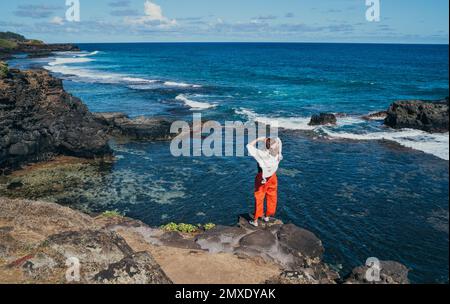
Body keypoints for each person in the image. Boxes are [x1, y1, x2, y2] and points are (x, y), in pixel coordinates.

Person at [246, 137, 283, 227]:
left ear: (266, 146)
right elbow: (278, 140)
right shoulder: (278, 152)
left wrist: (258, 139)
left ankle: (255, 221)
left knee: (259, 197)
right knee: (272, 196)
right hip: (272, 177)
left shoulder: (261, 154)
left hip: (262, 178)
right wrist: (268, 141)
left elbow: (248, 145)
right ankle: (267, 216)